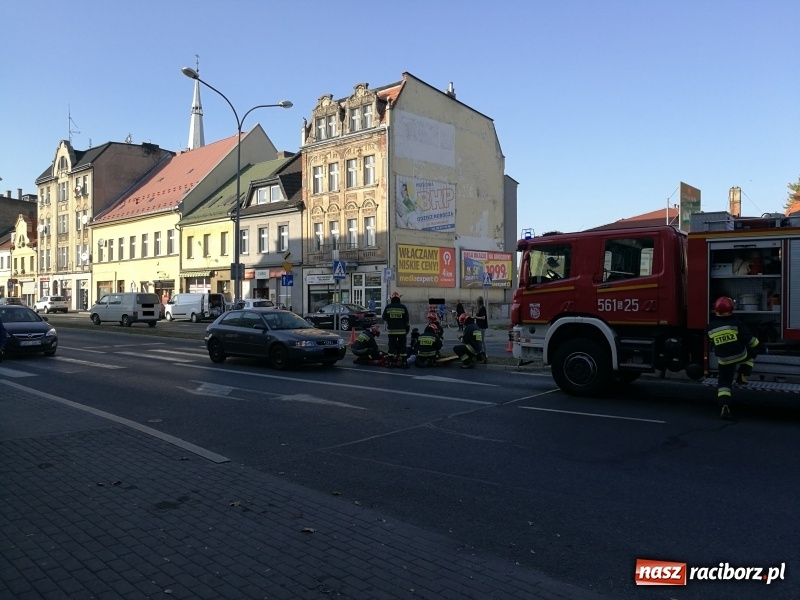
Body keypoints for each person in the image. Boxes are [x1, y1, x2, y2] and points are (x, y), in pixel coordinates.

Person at [706, 296, 760, 419]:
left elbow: (710, 340)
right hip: (740, 355)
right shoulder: (737, 324)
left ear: (716, 310)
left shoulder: (710, 328)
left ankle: (724, 405)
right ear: (731, 309)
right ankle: (743, 375)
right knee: (752, 353)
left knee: (724, 382)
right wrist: (759, 346)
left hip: (724, 360)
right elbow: (750, 340)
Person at [382, 291, 410, 366]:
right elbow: (407, 320)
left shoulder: (388, 307)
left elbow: (384, 317)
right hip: (402, 331)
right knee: (402, 347)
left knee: (391, 346)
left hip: (391, 331)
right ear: (398, 298)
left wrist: (389, 320)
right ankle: (404, 362)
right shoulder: (403, 307)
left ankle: (390, 362)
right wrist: (407, 329)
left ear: (392, 298)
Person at [474, 296, 488, 363]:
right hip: (479, 325)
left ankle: (484, 354)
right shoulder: (479, 308)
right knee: (479, 340)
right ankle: (481, 353)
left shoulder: (483, 308)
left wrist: (476, 317)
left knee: (482, 340)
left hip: (482, 326)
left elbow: (483, 317)